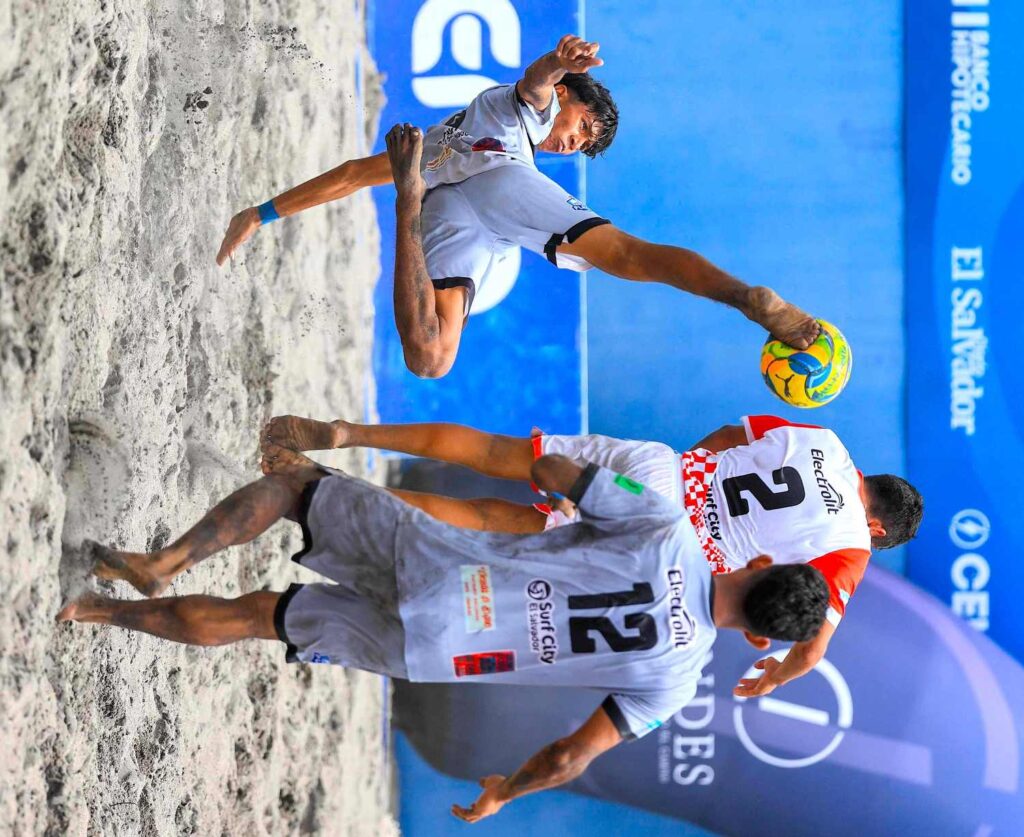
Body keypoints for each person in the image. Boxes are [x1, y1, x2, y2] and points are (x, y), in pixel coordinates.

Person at [58, 446, 828, 824]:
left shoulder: (670, 526)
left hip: (444, 563)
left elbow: (556, 471)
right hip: (436, 652)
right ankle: (95, 613)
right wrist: (505, 790)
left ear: (758, 561)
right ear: (759, 639)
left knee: (295, 486)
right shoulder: (676, 680)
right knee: (262, 617)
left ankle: (164, 562)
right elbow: (571, 756)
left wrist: (570, 498)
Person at [217, 35, 821, 378]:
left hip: (457, 213)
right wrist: (559, 62)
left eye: (582, 145)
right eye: (581, 126)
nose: (573, 142)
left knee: (430, 360)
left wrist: (261, 214)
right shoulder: (512, 111)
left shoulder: (451, 138)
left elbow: (353, 175)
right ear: (564, 94)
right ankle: (743, 297)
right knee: (626, 254)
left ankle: (408, 203)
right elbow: (534, 82)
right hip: (498, 185)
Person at [260, 412, 924, 698]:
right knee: (492, 525)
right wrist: (774, 676)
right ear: (877, 525)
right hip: (665, 545)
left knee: (496, 451)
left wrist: (677, 479)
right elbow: (812, 647)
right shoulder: (853, 546)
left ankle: (343, 432)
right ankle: (330, 495)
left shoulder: (824, 438)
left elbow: (727, 435)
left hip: (660, 473)